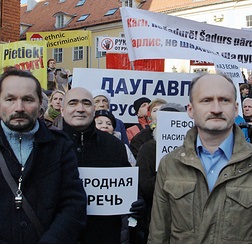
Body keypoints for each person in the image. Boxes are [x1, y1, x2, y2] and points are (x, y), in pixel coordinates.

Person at [148, 73, 252, 243]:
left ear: (235, 109)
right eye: (206, 100)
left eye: (224, 100)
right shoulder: (170, 165)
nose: (216, 109)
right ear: (191, 110)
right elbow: (158, 235)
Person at [0, 68, 87, 243]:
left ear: (40, 102)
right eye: (10, 99)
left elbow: (73, 204)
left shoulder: (59, 145)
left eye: (27, 99)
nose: (19, 107)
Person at [61, 87, 145, 244]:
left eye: (86, 103)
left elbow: (127, 183)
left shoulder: (114, 145)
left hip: (105, 235)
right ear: (62, 109)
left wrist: (137, 201)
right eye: (73, 103)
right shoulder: (49, 144)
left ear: (94, 110)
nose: (80, 108)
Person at [136, 103, 186, 244]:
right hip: (157, 218)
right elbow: (145, 188)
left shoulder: (198, 151)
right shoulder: (147, 149)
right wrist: (169, 168)